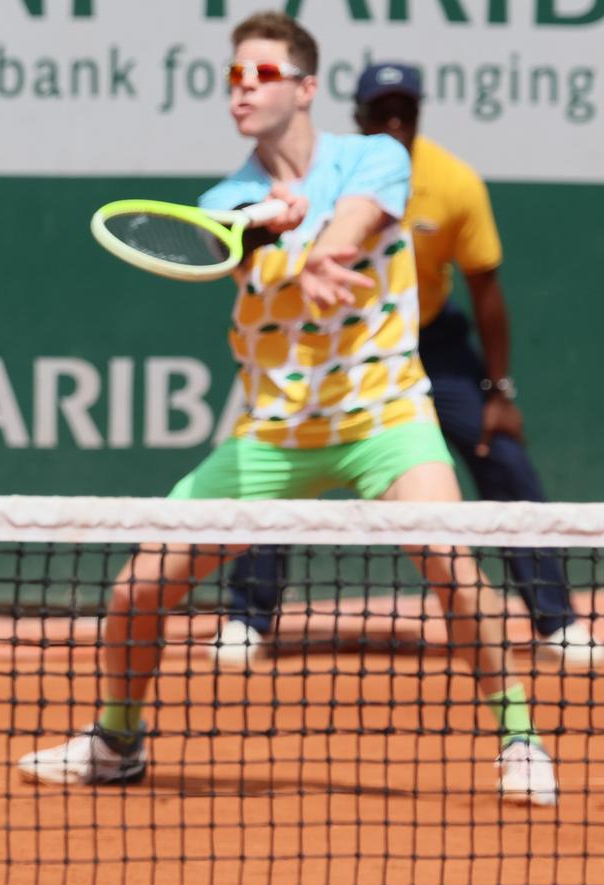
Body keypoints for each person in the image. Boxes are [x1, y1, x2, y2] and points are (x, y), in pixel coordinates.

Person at [15, 11, 557, 807]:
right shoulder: (225, 198)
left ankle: (520, 739)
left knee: (451, 561)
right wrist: (271, 238)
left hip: (383, 417)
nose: (243, 88)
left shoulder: (376, 156)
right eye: (234, 75)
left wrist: (323, 246)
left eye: (262, 74)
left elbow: (360, 220)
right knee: (137, 589)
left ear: (305, 89)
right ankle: (118, 739)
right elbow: (237, 248)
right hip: (273, 434)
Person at [211, 62, 600, 670]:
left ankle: (556, 622)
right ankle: (247, 618)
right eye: (381, 111)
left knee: (501, 456)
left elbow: (486, 291)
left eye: (405, 110)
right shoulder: (330, 173)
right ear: (359, 117)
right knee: (279, 463)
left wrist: (498, 391)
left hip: (432, 343)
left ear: (419, 114)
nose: (394, 120)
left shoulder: (453, 181)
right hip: (338, 345)